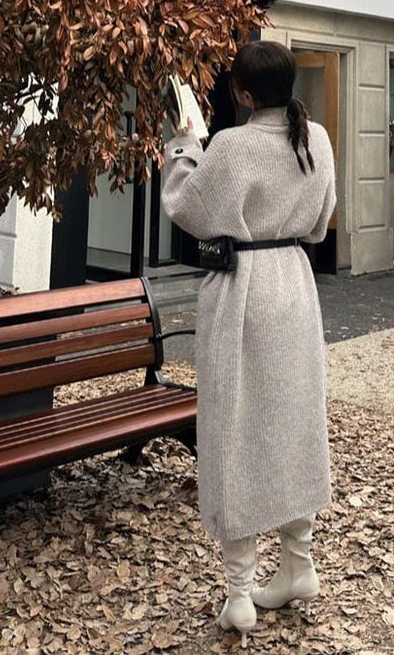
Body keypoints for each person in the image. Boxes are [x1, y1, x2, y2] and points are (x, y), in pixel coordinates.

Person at [161, 40, 336, 648]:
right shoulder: (317, 138)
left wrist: (185, 142)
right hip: (294, 280)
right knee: (293, 417)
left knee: (233, 426)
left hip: (242, 289)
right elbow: (320, 222)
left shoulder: (231, 146)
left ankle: (240, 593)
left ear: (239, 91)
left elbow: (186, 205)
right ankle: (299, 563)